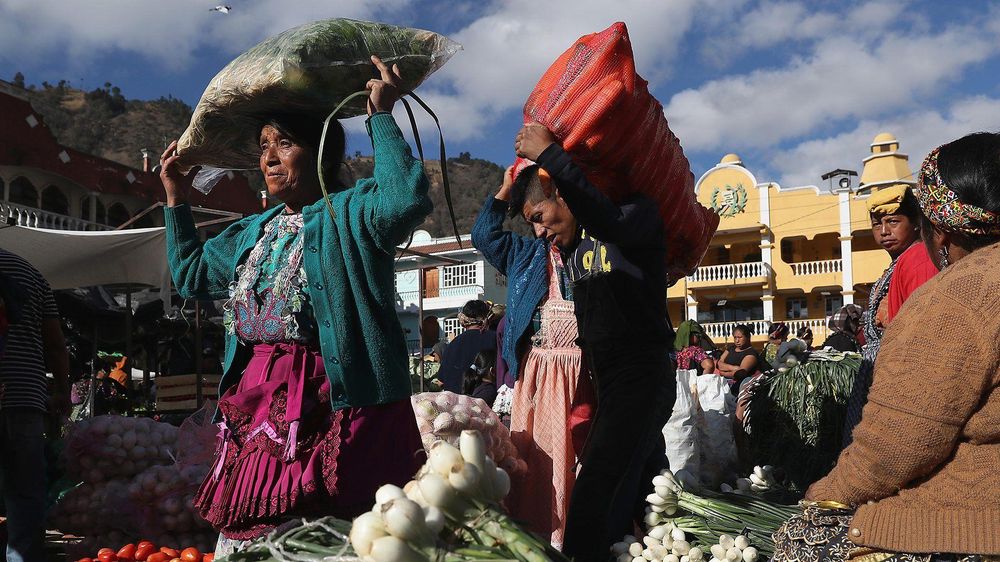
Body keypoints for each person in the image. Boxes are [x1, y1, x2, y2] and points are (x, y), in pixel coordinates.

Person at [159, 55, 429, 546]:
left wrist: (382, 116)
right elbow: (192, 276)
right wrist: (177, 198)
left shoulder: (351, 214)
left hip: (331, 398)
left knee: (326, 530)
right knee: (251, 534)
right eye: (264, 147)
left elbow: (405, 200)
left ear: (321, 153)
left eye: (285, 144)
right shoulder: (250, 233)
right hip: (255, 399)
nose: (270, 158)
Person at [774, 132, 1000, 561]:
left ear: (936, 227)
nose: (883, 231)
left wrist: (825, 493)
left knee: (801, 538)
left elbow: (899, 443)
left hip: (979, 520)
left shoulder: (960, 293)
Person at [514, 122, 676, 562]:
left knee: (593, 500)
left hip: (643, 374)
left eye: (539, 219)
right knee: (639, 491)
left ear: (563, 195)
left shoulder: (636, 214)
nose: (539, 233)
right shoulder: (574, 247)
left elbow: (606, 218)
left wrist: (551, 157)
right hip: (609, 382)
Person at [471, 165, 587, 548]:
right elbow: (483, 235)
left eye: (540, 217)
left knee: (580, 461)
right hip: (538, 378)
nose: (538, 229)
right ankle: (543, 539)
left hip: (582, 376)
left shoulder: (591, 252)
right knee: (540, 463)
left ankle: (580, 537)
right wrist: (505, 189)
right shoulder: (524, 255)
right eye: (530, 222)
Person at [842, 185, 935, 446]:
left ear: (916, 223)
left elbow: (920, 329)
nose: (884, 231)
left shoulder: (918, 258)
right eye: (877, 224)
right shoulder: (901, 260)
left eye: (893, 221)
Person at [0, 248, 70, 562]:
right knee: (25, 491)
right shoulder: (29, 271)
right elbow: (56, 344)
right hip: (25, 395)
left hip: (21, 396)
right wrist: (62, 391)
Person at [438, 300, 497, 393]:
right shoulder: (495, 339)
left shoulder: (451, 345)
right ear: (488, 317)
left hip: (455, 404)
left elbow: (442, 379)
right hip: (485, 402)